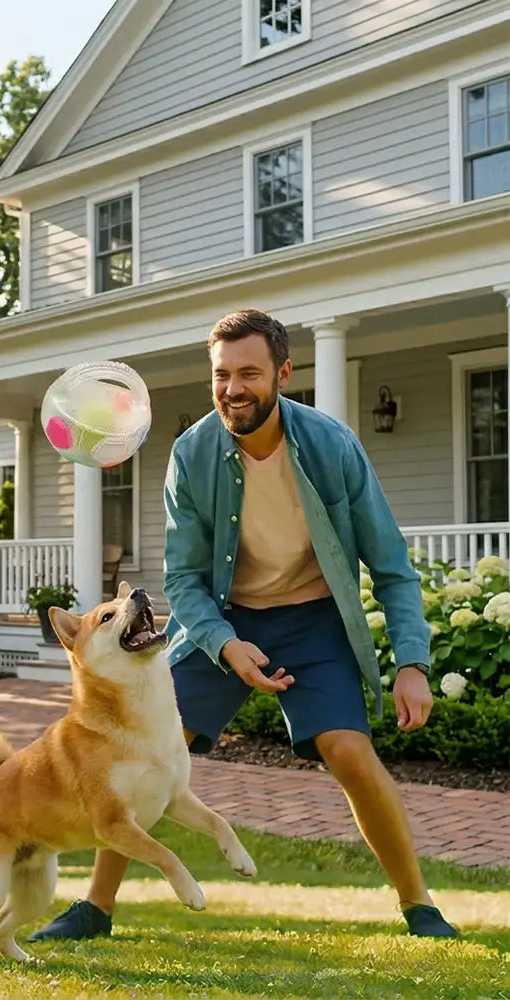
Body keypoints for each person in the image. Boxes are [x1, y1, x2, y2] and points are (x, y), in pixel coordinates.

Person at [30, 308, 458, 942]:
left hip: (313, 621)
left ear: (283, 373)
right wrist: (226, 644)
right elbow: (183, 580)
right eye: (222, 374)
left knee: (350, 753)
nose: (233, 388)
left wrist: (414, 664)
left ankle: (420, 906)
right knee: (143, 749)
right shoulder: (192, 453)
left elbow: (391, 566)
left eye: (250, 373)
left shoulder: (331, 445)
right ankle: (94, 909)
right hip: (222, 623)